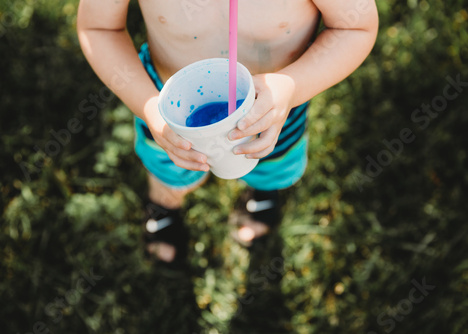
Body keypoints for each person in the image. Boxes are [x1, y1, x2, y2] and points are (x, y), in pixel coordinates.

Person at [77, 0, 379, 265]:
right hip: (164, 106)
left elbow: (354, 27)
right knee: (169, 166)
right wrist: (148, 106)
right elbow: (99, 28)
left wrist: (293, 85)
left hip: (273, 108)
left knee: (271, 161)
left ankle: (263, 192)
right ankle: (164, 205)